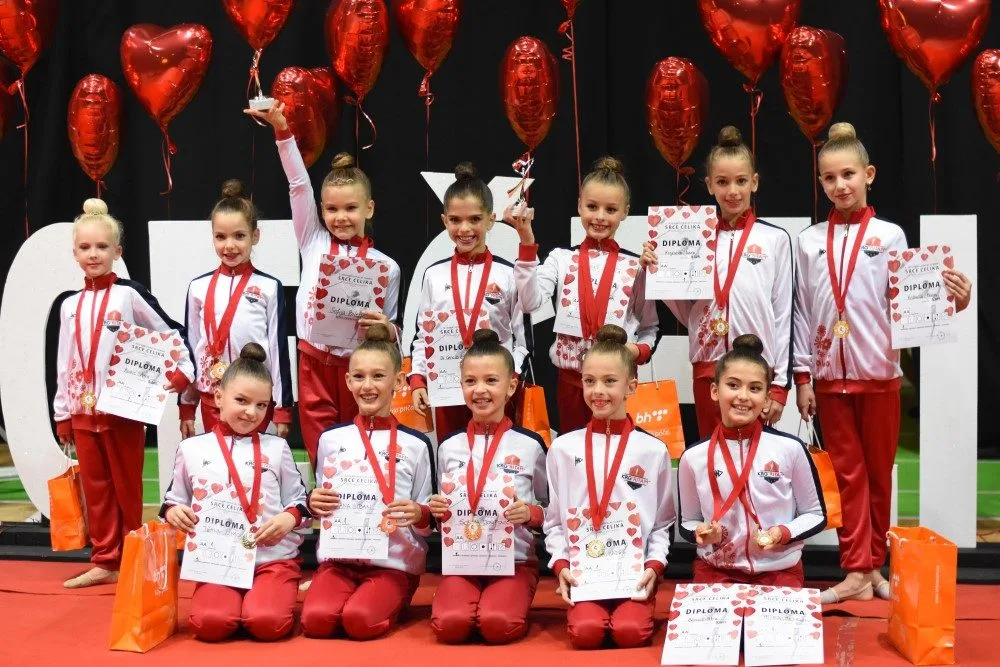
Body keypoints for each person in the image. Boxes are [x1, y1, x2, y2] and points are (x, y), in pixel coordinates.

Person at [792, 122, 973, 603]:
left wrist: (953, 301)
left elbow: (908, 305)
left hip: (879, 376)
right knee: (848, 476)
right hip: (829, 379)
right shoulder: (809, 241)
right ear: (820, 181)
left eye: (848, 174)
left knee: (878, 474)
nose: (840, 185)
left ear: (868, 175)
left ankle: (873, 569)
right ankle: (856, 569)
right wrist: (803, 376)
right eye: (829, 178)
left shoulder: (890, 236)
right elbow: (802, 312)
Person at [248, 102, 403, 466]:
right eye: (331, 209)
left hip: (359, 369)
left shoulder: (387, 268)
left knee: (361, 454)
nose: (340, 217)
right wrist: (282, 131)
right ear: (320, 210)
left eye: (350, 208)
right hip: (313, 365)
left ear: (369, 208)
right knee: (321, 453)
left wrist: (387, 329)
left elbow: (393, 329)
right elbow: (298, 185)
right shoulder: (312, 241)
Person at [55, 198, 194, 589]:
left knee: (127, 487)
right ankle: (105, 560)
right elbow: (64, 361)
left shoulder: (129, 295)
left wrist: (182, 373)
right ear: (74, 253)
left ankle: (133, 556)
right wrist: (63, 412)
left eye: (102, 247)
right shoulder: (69, 305)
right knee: (96, 489)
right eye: (85, 247)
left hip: (124, 409)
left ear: (117, 251)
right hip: (83, 411)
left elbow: (171, 332)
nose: (93, 254)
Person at [640, 126, 793, 437]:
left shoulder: (774, 239)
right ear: (709, 185)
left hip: (755, 369)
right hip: (707, 364)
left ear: (755, 182)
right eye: (722, 182)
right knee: (711, 453)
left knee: (752, 456)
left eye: (741, 181)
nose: (732, 191)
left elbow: (783, 314)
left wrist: (779, 385)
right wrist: (657, 270)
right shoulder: (695, 237)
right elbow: (687, 312)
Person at [163, 343, 309, 641]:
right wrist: (174, 512)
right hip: (217, 561)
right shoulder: (191, 449)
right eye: (241, 400)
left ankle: (267, 595)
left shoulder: (277, 448)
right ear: (219, 397)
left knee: (267, 623)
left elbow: (300, 502)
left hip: (272, 559)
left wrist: (289, 519)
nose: (251, 412)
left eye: (262, 405)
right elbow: (172, 500)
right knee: (210, 625)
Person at [543, 325, 675, 649]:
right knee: (585, 633)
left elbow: (662, 524)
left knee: (631, 633)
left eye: (609, 381)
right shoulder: (563, 449)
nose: (598, 391)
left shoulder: (653, 450)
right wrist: (561, 565)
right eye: (589, 381)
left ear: (631, 386)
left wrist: (654, 567)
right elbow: (554, 520)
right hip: (585, 571)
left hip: (634, 572)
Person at [301, 323, 435, 640]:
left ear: (398, 381)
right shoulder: (330, 439)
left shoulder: (416, 445)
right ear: (348, 380)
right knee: (316, 621)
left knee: (359, 621)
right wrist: (313, 503)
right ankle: (334, 588)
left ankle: (389, 595)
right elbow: (321, 503)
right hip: (339, 560)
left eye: (378, 376)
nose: (368, 386)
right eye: (359, 377)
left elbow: (428, 522)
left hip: (392, 563)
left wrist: (419, 513)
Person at [510, 156, 660, 433]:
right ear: (579, 205)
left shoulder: (636, 265)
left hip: (617, 381)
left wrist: (638, 351)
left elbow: (650, 327)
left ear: (625, 212)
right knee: (574, 451)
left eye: (610, 209)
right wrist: (527, 244)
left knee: (616, 450)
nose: (600, 217)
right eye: (592, 207)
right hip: (570, 383)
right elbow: (530, 303)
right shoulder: (560, 258)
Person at [678, 334, 826, 587]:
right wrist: (700, 532)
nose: (743, 396)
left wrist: (783, 532)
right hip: (716, 570)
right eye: (733, 385)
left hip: (779, 570)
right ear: (715, 391)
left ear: (767, 398)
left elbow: (816, 514)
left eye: (755, 388)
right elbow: (686, 521)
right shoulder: (693, 457)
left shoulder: (790, 449)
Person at [428, 329, 547, 644]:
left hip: (514, 562)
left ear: (511, 386)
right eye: (471, 381)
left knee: (498, 625)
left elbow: (552, 509)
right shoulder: (448, 446)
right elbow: (441, 513)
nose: (480, 390)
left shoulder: (531, 446)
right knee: (449, 626)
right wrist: (435, 510)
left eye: (491, 381)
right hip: (462, 560)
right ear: (461, 385)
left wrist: (531, 513)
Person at [409, 162, 529, 442]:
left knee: (496, 456)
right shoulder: (433, 275)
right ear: (444, 221)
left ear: (491, 219)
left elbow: (523, 339)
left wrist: (510, 376)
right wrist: (418, 379)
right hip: (447, 387)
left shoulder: (508, 273)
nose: (464, 228)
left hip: (495, 390)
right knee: (452, 455)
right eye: (455, 220)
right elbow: (423, 335)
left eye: (475, 219)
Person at [180, 179, 293, 438]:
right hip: (213, 396)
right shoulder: (198, 287)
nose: (229, 245)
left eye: (239, 236)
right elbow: (191, 348)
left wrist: (283, 409)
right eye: (221, 237)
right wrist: (186, 405)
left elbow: (278, 350)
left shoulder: (268, 287)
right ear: (212, 237)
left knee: (253, 459)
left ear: (255, 236)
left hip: (255, 397)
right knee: (219, 459)